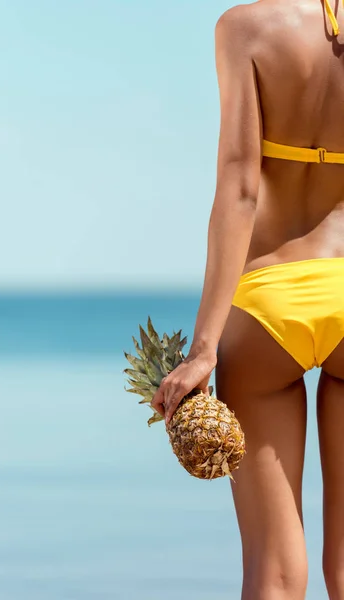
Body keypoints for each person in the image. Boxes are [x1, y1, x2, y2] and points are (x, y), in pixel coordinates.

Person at [150, 0, 344, 598]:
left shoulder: (245, 28)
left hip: (266, 303)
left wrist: (202, 349)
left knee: (273, 571)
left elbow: (239, 186)